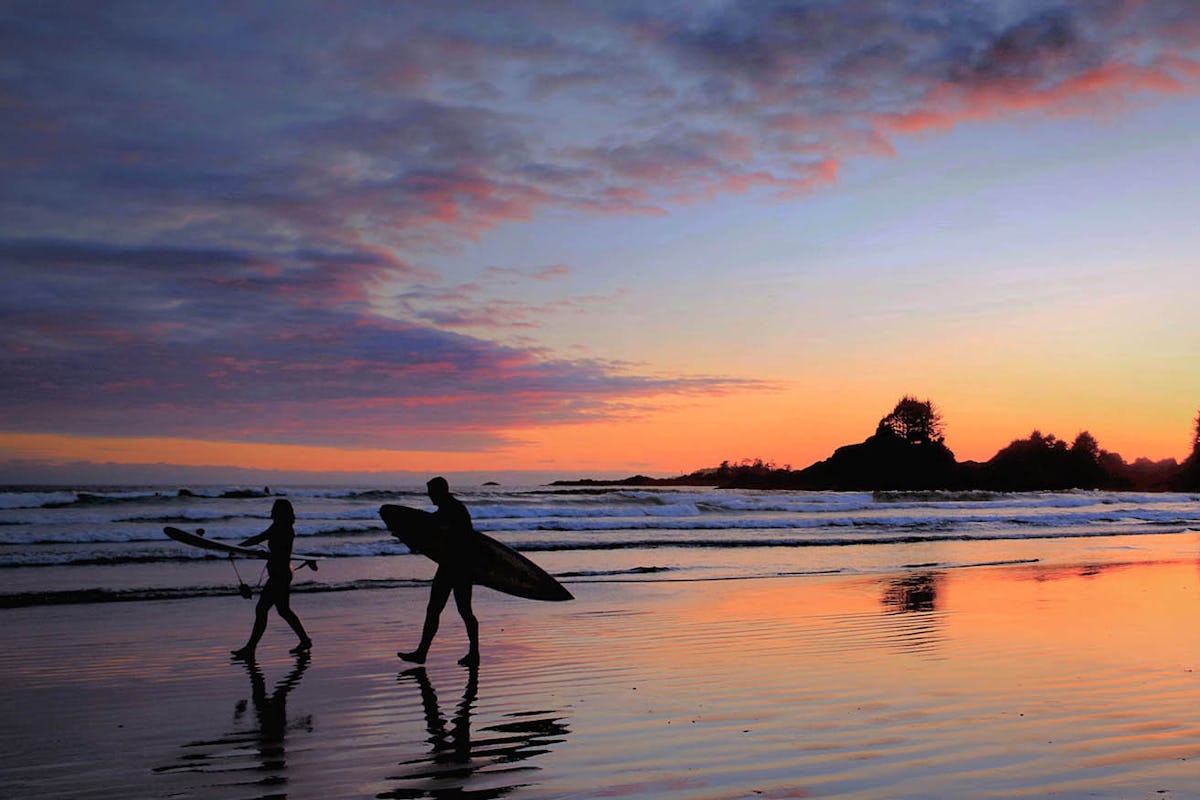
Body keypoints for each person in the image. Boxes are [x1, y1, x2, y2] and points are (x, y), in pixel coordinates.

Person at [399, 477, 480, 667]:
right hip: (456, 566)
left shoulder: (452, 510)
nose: (429, 496)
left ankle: (425, 653)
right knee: (453, 610)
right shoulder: (451, 508)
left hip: (455, 567)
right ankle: (470, 653)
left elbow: (436, 529)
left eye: (431, 492)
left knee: (448, 610)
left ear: (440, 491)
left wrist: (411, 535)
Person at [231, 498, 312, 658]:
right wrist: (239, 547)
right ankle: (304, 640)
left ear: (279, 512)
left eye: (275, 509)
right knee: (283, 610)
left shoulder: (281, 528)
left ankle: (250, 649)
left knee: (262, 609)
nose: (272, 511)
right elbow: (260, 538)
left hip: (279, 576)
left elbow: (277, 551)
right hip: (282, 573)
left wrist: (240, 548)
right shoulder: (282, 527)